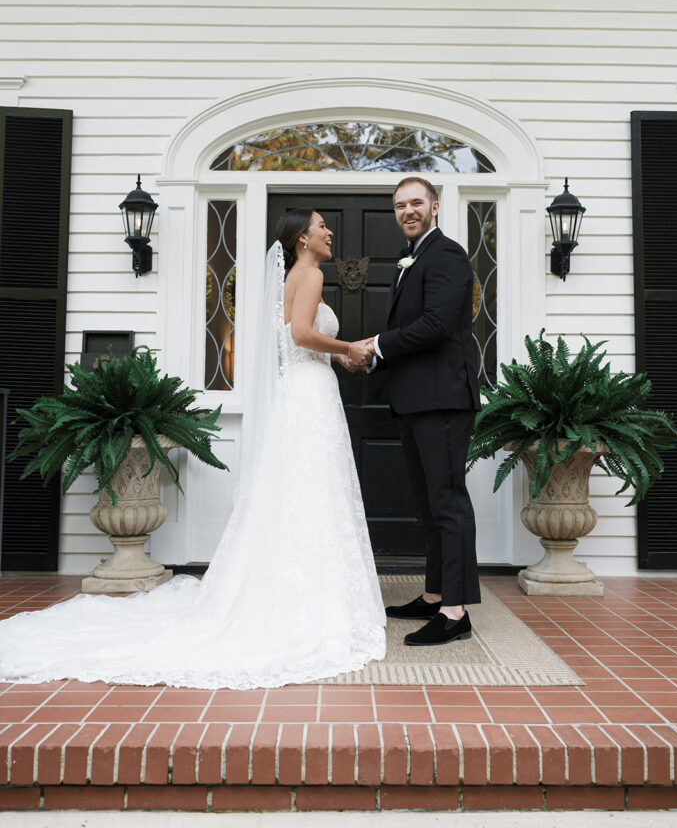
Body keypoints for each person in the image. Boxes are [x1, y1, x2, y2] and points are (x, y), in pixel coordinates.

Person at [0, 210, 385, 688]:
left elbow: (297, 340)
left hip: (303, 391)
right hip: (309, 395)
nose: (330, 232)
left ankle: (296, 590)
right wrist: (348, 347)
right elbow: (301, 335)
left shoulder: (293, 275)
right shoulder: (311, 272)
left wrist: (337, 355)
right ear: (303, 239)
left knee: (301, 491)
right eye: (322, 226)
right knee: (313, 490)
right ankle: (314, 601)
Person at [364, 176, 482, 648]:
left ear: (435, 206)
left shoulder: (447, 254)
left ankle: (455, 615)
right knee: (430, 507)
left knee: (449, 504)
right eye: (399, 206)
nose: (407, 211)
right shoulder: (412, 259)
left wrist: (376, 344)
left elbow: (435, 325)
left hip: (443, 401)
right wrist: (378, 355)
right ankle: (435, 595)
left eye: (416, 203)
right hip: (416, 400)